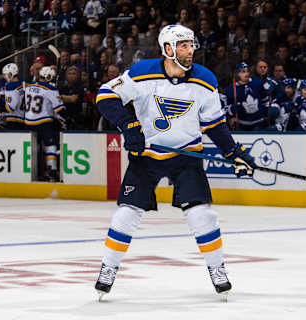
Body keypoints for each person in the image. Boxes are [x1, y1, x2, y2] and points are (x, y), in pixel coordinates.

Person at [94, 24, 256, 298]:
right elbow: (105, 96)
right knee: (127, 213)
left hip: (186, 155)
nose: (190, 50)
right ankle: (108, 268)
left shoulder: (205, 79)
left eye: (191, 45)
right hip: (147, 156)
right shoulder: (141, 72)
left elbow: (214, 123)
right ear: (167, 49)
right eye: (183, 46)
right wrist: (130, 126)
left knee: (202, 214)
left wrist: (232, 152)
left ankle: (217, 269)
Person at [24, 66, 65, 181]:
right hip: (44, 121)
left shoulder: (28, 86)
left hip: (28, 121)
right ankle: (52, 170)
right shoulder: (50, 89)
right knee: (50, 147)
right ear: (48, 77)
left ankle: (31, 172)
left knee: (33, 148)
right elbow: (59, 109)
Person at [225, 62, 267, 131]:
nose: (246, 74)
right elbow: (226, 109)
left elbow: (265, 100)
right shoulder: (231, 89)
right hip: (241, 124)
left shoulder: (257, 83)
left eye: (247, 71)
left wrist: (264, 113)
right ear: (237, 74)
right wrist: (232, 109)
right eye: (243, 72)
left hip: (258, 122)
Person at [0, 63, 25, 128]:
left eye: (5, 74)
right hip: (22, 119)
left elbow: (10, 108)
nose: (5, 77)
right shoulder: (23, 85)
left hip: (12, 120)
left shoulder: (11, 86)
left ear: (11, 74)